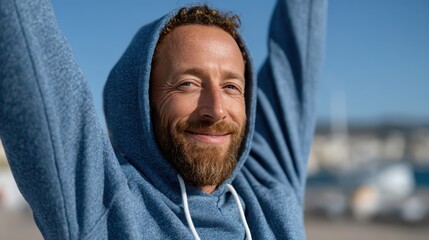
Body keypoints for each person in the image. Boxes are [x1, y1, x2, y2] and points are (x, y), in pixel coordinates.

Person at [0, 0, 326, 239]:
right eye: (188, 84)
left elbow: (301, 38)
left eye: (231, 86)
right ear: (141, 102)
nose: (216, 109)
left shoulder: (269, 190)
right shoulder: (105, 207)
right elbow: (24, 36)